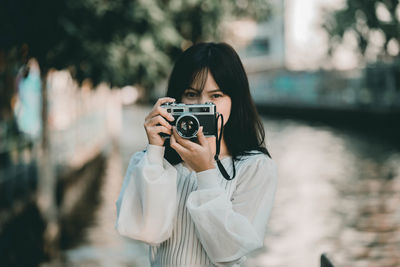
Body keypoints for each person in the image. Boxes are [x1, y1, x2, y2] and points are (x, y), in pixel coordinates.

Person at [115, 42, 278, 267]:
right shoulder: (152, 162)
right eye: (191, 95)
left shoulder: (254, 168)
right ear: (176, 101)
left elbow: (228, 252)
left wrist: (206, 172)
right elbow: (146, 232)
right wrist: (154, 152)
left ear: (235, 100)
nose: (203, 106)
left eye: (216, 96)